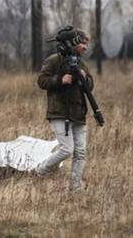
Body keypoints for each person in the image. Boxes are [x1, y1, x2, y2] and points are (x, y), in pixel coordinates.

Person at [35, 27, 93, 191]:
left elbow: (90, 86)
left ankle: (75, 187)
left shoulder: (81, 63)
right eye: (82, 43)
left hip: (78, 113)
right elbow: (42, 81)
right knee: (67, 150)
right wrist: (61, 79)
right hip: (59, 112)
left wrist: (85, 77)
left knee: (80, 153)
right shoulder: (53, 60)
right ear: (73, 42)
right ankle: (40, 171)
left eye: (87, 44)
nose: (85, 47)